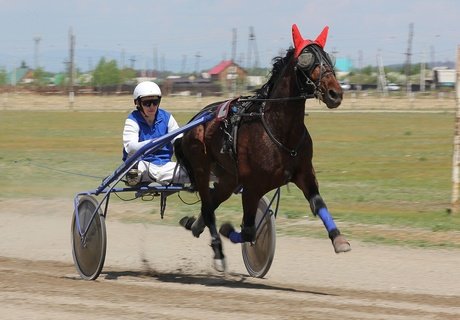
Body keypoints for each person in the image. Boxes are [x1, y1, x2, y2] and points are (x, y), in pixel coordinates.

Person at [122, 81, 188, 185]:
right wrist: (154, 143)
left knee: (196, 171)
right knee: (138, 168)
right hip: (142, 164)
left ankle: (163, 178)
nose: (152, 106)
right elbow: (130, 147)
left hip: (166, 165)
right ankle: (163, 179)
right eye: (146, 103)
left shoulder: (167, 117)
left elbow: (178, 140)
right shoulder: (132, 120)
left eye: (155, 102)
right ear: (138, 103)